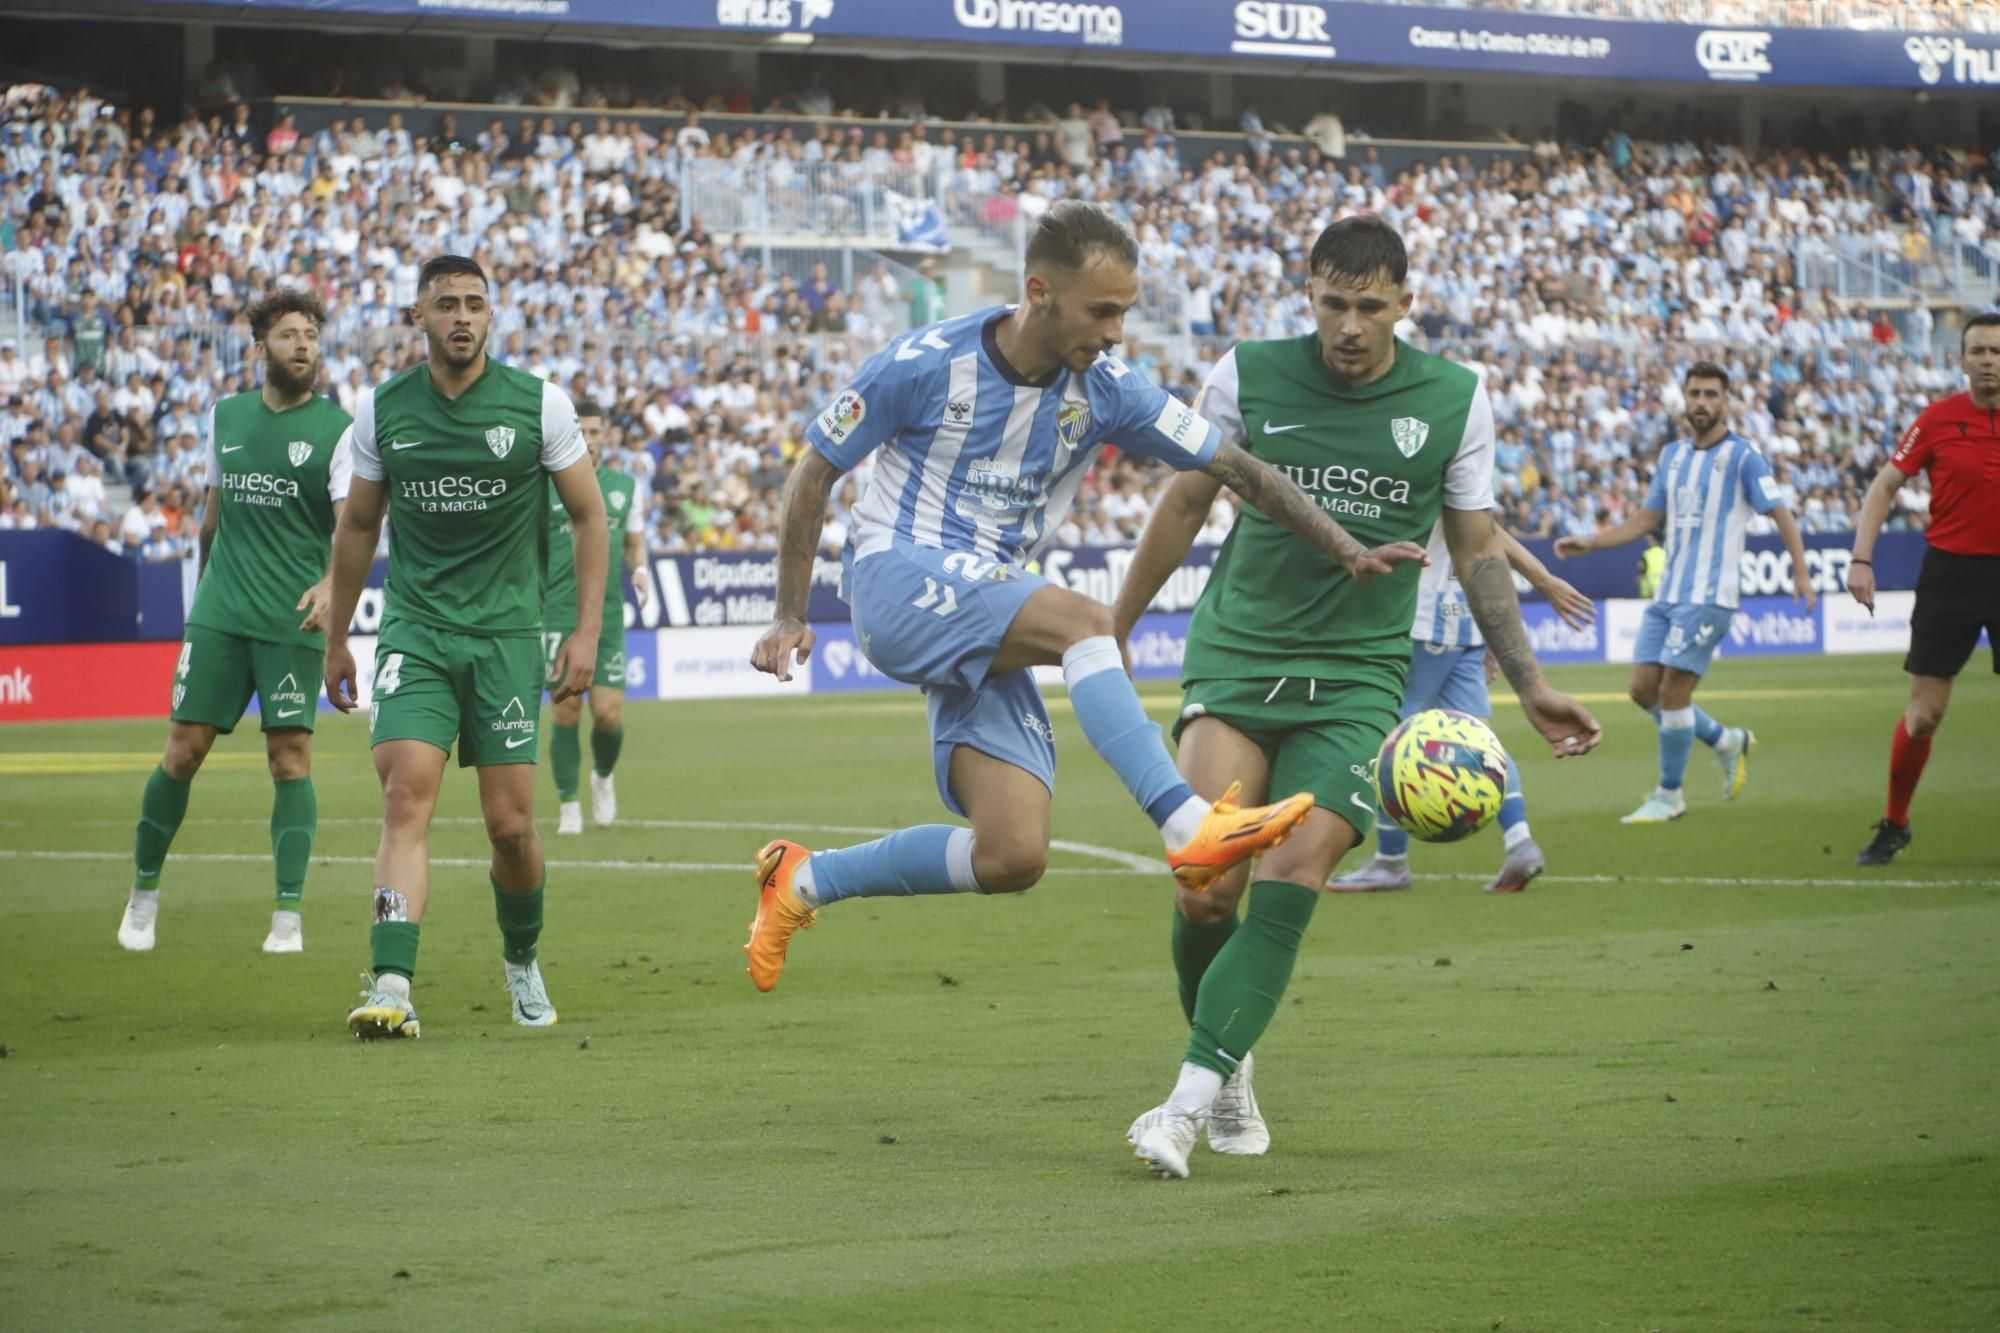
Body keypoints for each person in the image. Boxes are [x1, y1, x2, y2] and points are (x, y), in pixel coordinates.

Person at [743, 200, 1428, 995]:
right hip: (897, 576)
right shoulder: (926, 362)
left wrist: (1343, 546)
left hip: (986, 603)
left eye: (1126, 312)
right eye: (1101, 311)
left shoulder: (1109, 389)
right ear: (1039, 291)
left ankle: (802, 879)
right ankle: (1186, 823)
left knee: (1013, 852)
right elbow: (815, 469)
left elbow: (1241, 470)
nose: (1115, 331)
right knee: (1087, 620)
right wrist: (791, 612)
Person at [1110, 215, 1604, 1179]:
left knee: (1296, 871)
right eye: (1333, 303)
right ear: (1311, 292)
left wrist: (1533, 682)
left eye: (1369, 307)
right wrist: (1117, 624)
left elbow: (1477, 549)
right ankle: (1232, 1056)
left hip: (1359, 677)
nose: (1348, 325)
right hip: (1239, 656)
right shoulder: (1246, 373)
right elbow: (1183, 502)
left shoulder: (1457, 399)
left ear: (1404, 304)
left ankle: (1184, 1100)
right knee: (1208, 886)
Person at [323, 255, 609, 1040]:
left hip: (507, 637)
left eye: (475, 304)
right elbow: (357, 525)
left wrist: (582, 632)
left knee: (510, 826)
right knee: (404, 793)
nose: (461, 316)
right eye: (445, 302)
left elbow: (589, 516)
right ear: (418, 316)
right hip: (415, 629)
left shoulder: (539, 405)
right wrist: (341, 636)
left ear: (492, 316)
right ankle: (391, 979)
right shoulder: (383, 411)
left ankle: (521, 956)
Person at [117, 289, 352, 955]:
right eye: (288, 334)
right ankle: (143, 895)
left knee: (289, 759)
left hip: (291, 622)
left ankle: (287, 915)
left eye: (310, 333)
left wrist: (334, 584)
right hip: (220, 614)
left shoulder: (337, 431)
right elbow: (212, 519)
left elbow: (352, 529)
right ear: (261, 348)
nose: (302, 344)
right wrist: (203, 597)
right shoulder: (226, 416)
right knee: (182, 751)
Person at [1555, 362, 1815, 824]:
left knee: (1673, 692)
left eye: (1711, 394)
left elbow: (1781, 514)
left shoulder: (1743, 457)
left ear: (1725, 401)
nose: (1701, 402)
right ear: (1684, 399)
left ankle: (1669, 795)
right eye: (1694, 393)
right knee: (1641, 690)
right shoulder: (1672, 456)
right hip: (1669, 592)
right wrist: (1591, 541)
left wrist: (1801, 572)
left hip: (1710, 594)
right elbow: (1646, 520)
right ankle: (1724, 740)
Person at [1330, 515, 1597, 894]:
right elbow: (1486, 535)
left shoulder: (1426, 462)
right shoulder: (1466, 473)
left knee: (1391, 734)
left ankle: (1390, 861)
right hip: (1465, 620)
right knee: (1480, 738)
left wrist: (1542, 579)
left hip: (1421, 619)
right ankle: (1520, 842)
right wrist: (1532, 588)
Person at [1847, 310, 2000, 866]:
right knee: (1924, 715)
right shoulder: (1936, 420)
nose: (1988, 361)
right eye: (1978, 351)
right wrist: (1862, 558)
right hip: (1950, 573)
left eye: (1996, 352)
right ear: (1961, 361)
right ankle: (1895, 823)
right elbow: (1884, 485)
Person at [543, 399, 652, 834]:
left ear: (605, 436)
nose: (588, 441)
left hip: (605, 616)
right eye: (581, 432)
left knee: (608, 714)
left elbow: (634, 543)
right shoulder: (546, 485)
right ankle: (569, 803)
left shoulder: (625, 486)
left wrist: (640, 571)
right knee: (564, 710)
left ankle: (602, 776)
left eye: (594, 433)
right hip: (557, 614)